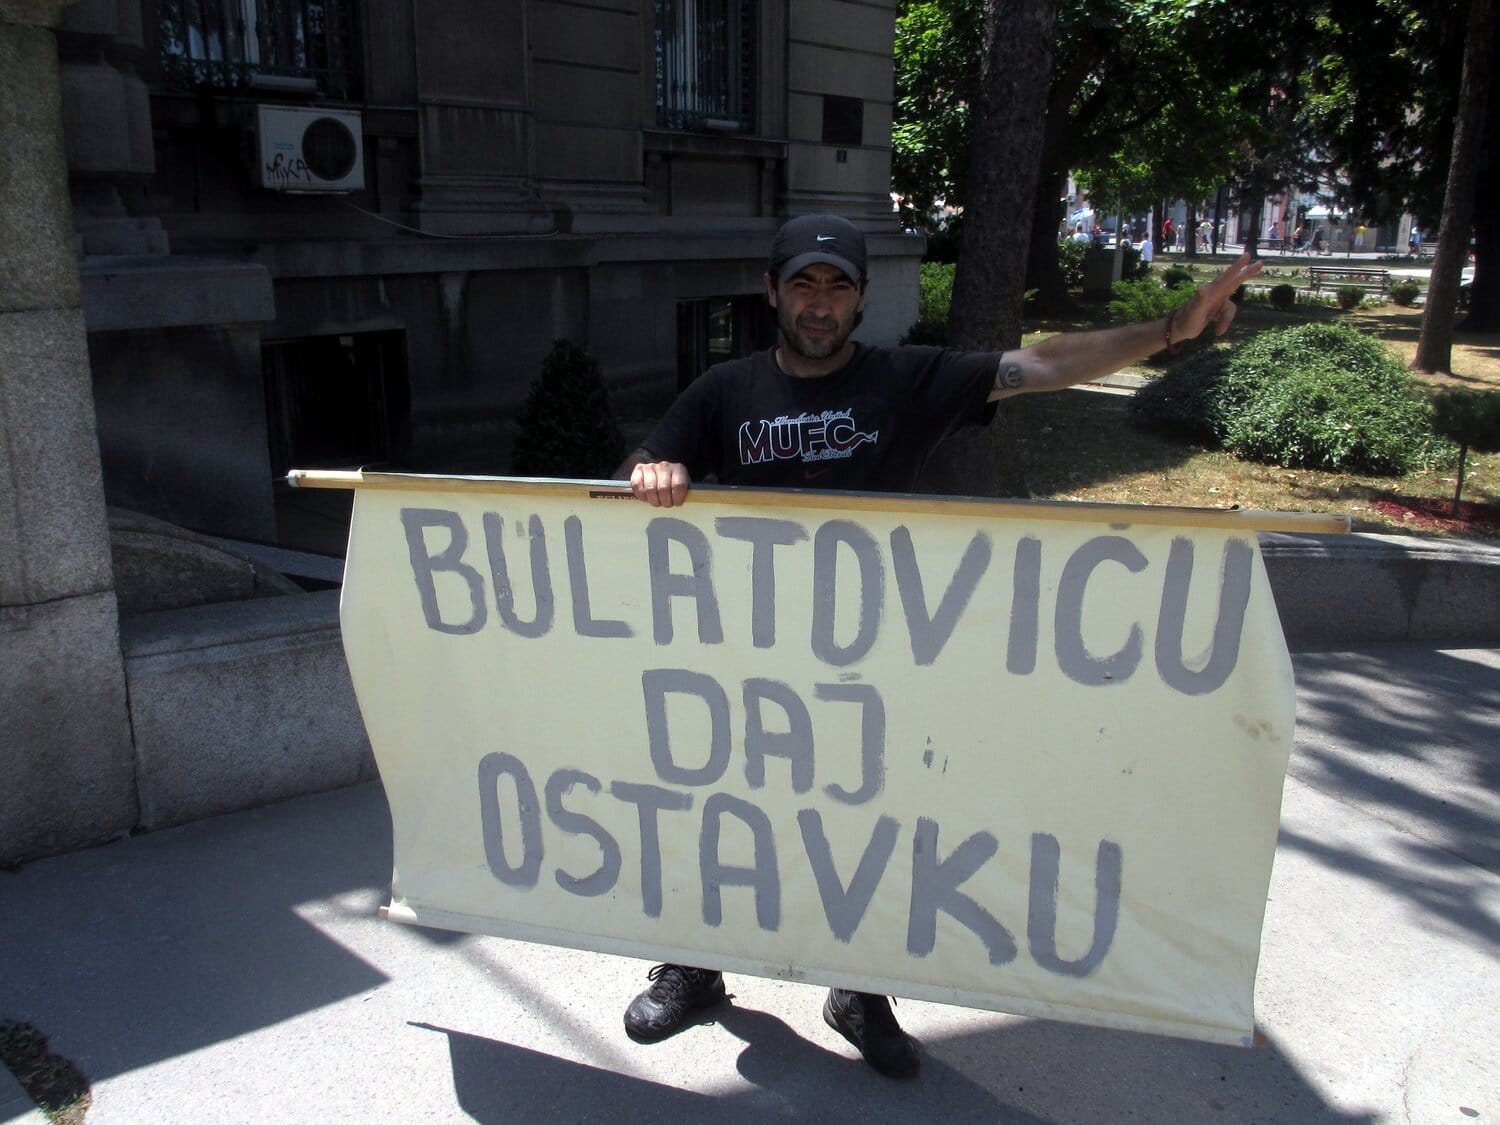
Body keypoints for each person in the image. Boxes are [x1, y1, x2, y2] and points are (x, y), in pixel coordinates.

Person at [617, 213, 1260, 1078]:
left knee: (870, 828)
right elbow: (648, 461)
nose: (818, 304)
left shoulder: (907, 379)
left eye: (837, 287)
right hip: (753, 664)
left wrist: (1170, 329)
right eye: (802, 285)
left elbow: (1042, 364)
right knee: (726, 810)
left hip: (877, 663)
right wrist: (653, 473)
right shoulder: (723, 390)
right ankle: (696, 964)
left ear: (861, 299)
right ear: (771, 291)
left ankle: (861, 986)